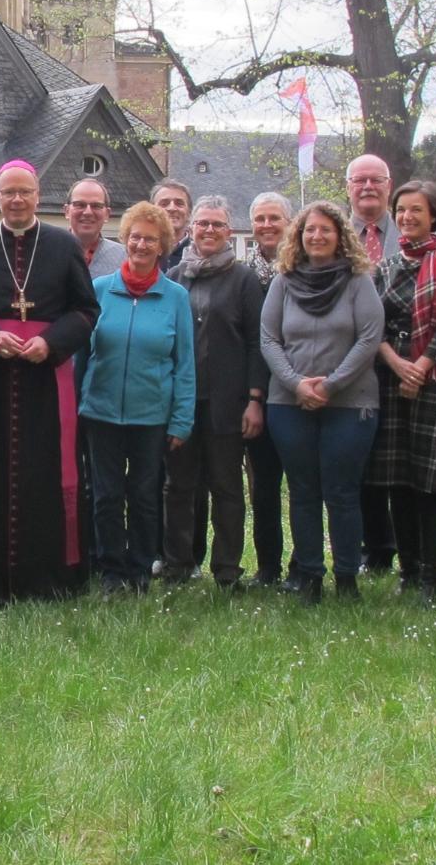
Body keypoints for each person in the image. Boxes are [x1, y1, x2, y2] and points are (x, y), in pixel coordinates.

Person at [0, 161, 98, 605]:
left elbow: (86, 311)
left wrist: (50, 343)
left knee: (44, 475)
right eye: (8, 192)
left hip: (46, 384)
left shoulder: (63, 245)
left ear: (37, 194)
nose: (16, 200)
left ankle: (46, 580)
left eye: (24, 192)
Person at [260, 202, 383, 604]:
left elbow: (369, 338)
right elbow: (269, 339)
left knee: (342, 492)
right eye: (309, 230)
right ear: (298, 235)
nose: (317, 236)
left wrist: (330, 386)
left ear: (340, 235)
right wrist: (297, 385)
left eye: (326, 230)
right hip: (288, 403)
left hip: (350, 403)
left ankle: (347, 578)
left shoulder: (358, 281)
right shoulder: (283, 281)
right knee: (303, 491)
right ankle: (309, 576)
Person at [367, 180, 436, 602]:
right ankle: (408, 570)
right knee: (397, 482)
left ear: (434, 216)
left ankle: (432, 576)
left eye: (417, 210)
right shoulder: (388, 265)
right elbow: (371, 323)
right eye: (402, 211)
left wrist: (421, 366)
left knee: (427, 484)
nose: (408, 217)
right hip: (392, 381)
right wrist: (396, 365)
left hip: (433, 383)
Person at [78, 202, 194, 593]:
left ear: (163, 246)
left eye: (151, 239)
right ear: (125, 240)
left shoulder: (176, 297)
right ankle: (111, 570)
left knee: (144, 497)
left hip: (151, 416)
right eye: (135, 237)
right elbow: (81, 355)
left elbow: (185, 363)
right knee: (106, 496)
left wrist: (181, 419)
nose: (142, 245)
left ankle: (140, 570)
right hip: (100, 412)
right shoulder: (99, 290)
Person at [172, 196, 265, 591]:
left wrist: (255, 400)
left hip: (227, 402)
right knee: (177, 487)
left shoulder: (244, 279)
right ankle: (178, 565)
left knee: (226, 489)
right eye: (202, 223)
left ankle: (227, 569)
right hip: (181, 402)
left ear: (229, 232)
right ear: (191, 228)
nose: (209, 230)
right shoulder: (176, 276)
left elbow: (256, 343)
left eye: (217, 224)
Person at [343, 154, 398, 576]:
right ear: (348, 188)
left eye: (374, 180)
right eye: (358, 180)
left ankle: (401, 549)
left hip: (402, 367)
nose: (366, 187)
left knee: (398, 464)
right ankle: (369, 548)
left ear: (388, 185)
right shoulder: (336, 237)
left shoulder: (410, 231)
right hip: (350, 367)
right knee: (359, 463)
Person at [242, 191, 292, 586]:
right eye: (260, 219)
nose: (267, 225)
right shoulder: (245, 276)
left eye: (274, 217)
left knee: (306, 486)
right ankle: (268, 566)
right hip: (260, 391)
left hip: (298, 391)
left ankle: (306, 563)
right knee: (263, 487)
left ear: (289, 222)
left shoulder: (303, 270)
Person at [66, 177, 124, 277]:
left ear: (107, 214)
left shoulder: (124, 257)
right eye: (80, 204)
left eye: (96, 206)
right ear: (67, 211)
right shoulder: (46, 251)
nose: (88, 212)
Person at [152, 179, 193, 271]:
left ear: (189, 212)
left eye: (179, 203)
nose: (172, 208)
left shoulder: (200, 256)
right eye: (164, 204)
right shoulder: (139, 252)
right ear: (151, 211)